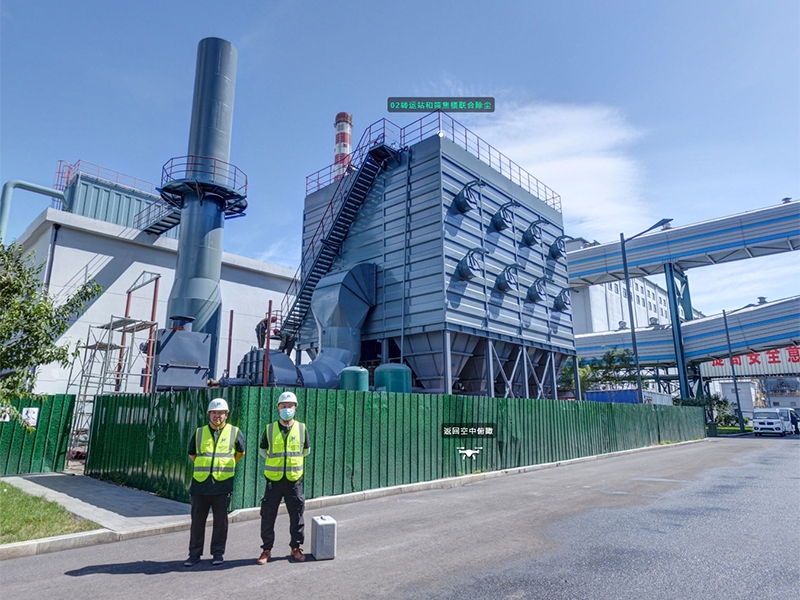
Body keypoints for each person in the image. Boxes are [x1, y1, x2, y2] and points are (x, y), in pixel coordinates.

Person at [184, 398, 245, 567]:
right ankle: (194, 555)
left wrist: (225, 466)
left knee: (221, 523)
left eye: (221, 413)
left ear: (226, 415)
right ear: (209, 414)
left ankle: (218, 554)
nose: (217, 416)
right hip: (200, 485)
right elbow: (192, 454)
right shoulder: (199, 432)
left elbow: (240, 452)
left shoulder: (234, 432)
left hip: (222, 485)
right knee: (197, 522)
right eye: (214, 413)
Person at [257, 391, 310, 565]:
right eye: (283, 406)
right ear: (278, 408)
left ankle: (296, 548)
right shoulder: (269, 429)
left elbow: (306, 451)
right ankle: (266, 550)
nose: (287, 409)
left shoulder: (301, 428)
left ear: (295, 408)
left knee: (297, 515)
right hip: (274, 480)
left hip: (294, 480)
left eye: (290, 406)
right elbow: (263, 450)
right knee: (268, 515)